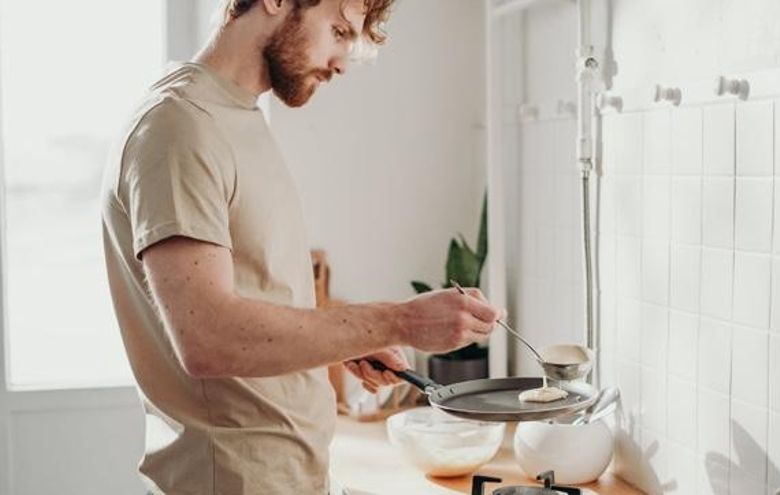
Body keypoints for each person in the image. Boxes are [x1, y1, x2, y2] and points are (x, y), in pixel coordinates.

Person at [100, 0, 503, 493]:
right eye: (337, 31)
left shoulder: (234, 116)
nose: (340, 62)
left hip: (285, 476)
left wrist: (349, 342)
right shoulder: (181, 126)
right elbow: (207, 336)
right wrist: (402, 321)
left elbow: (255, 301)